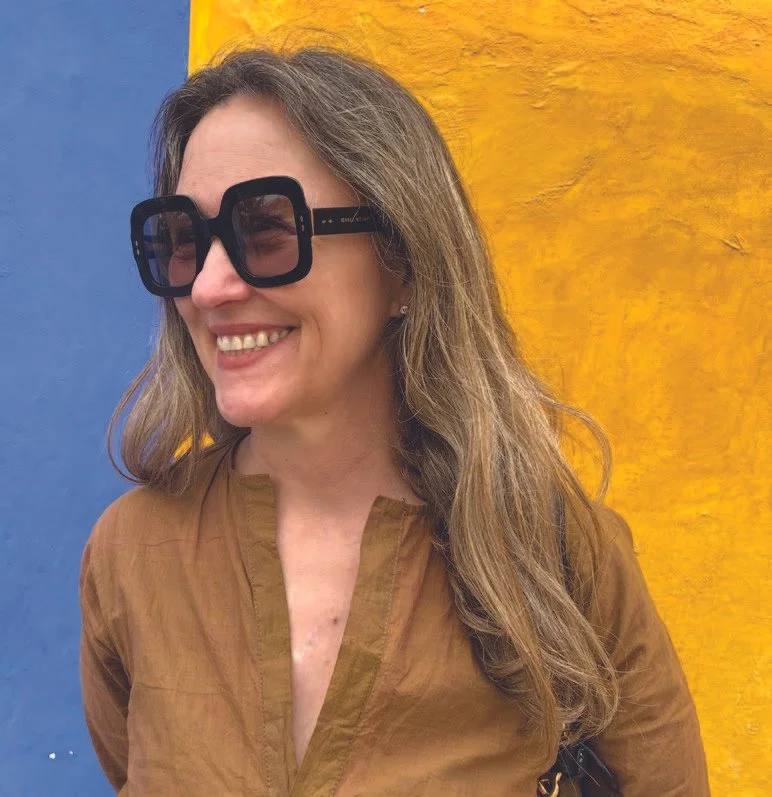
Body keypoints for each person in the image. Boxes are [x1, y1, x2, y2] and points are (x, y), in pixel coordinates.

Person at [79, 44, 709, 796]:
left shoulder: (551, 554)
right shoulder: (135, 554)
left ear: (403, 259)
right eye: (183, 240)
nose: (210, 287)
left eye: (267, 229)